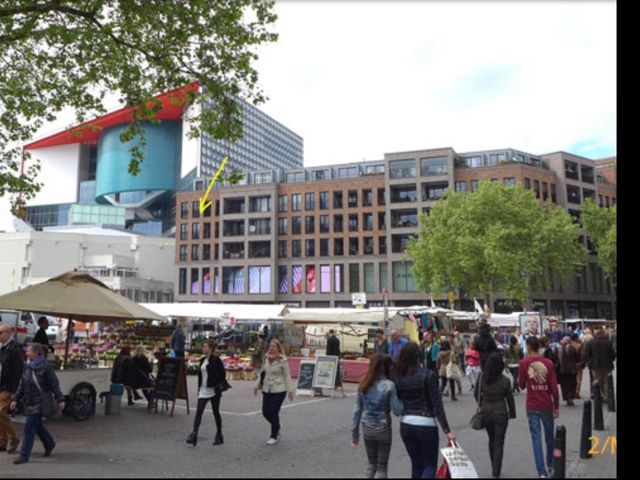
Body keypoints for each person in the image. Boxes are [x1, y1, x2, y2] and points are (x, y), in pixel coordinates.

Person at [394, 342, 456, 478]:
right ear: (418, 356)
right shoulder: (428, 375)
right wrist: (447, 430)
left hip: (406, 423)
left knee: (416, 464)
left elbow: (398, 401)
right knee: (429, 465)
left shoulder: (399, 377)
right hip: (426, 423)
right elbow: (437, 404)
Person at [9, 343, 65, 464]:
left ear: (36, 353)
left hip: (40, 402)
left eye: (28, 351)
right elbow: (22, 384)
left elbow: (54, 384)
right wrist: (15, 399)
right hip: (29, 401)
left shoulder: (46, 367)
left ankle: (24, 455)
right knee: (37, 426)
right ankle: (50, 444)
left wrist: (60, 399)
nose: (26, 353)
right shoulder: (28, 367)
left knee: (29, 428)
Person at [351, 354, 403, 479]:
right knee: (382, 467)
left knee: (371, 465)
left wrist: (355, 433)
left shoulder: (363, 383)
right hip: (383, 428)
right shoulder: (389, 385)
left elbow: (357, 410)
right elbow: (397, 411)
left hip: (367, 427)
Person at [518, 336, 559, 478]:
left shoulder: (524, 363)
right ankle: (551, 464)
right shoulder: (548, 363)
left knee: (536, 438)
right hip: (546, 404)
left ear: (528, 347)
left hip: (532, 405)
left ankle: (542, 472)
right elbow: (554, 387)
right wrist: (556, 406)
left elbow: (521, 384)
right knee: (549, 436)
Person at [474, 352, 516, 479]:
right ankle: (496, 471)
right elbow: (510, 399)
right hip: (500, 413)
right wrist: (512, 413)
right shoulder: (505, 381)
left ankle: (494, 466)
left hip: (486, 413)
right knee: (499, 442)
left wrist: (482, 404)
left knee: (491, 440)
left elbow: (476, 394)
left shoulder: (482, 377)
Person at [186, 339, 226, 446]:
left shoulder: (216, 360)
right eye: (203, 346)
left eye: (205, 346)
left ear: (210, 348)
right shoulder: (202, 360)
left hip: (213, 391)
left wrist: (215, 383)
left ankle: (219, 434)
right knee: (199, 411)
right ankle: (194, 434)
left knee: (216, 412)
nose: (203, 348)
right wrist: (200, 387)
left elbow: (222, 374)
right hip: (203, 390)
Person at [254, 339, 294, 445]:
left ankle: (273, 436)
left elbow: (287, 376)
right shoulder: (266, 358)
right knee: (265, 412)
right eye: (270, 346)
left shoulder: (282, 360)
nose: (271, 348)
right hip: (267, 388)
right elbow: (263, 372)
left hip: (279, 389)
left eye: (274, 346)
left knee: (274, 411)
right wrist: (256, 385)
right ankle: (277, 426)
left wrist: (290, 390)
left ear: (278, 348)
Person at [0, 324, 24, 454]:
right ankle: (2, 442)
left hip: (8, 387)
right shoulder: (2, 347)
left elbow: (18, 371)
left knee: (0, 412)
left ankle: (13, 437)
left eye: (0, 333)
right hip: (1, 384)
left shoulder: (14, 350)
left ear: (8, 333)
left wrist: (15, 391)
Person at [583, 329, 616, 403]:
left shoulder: (590, 343)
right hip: (607, 366)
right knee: (606, 382)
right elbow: (613, 355)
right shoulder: (608, 343)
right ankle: (606, 396)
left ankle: (598, 395)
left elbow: (587, 354)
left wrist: (588, 362)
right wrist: (611, 360)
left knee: (597, 381)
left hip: (595, 366)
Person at [557, 336, 580, 406]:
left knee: (564, 384)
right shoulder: (573, 348)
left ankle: (566, 397)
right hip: (572, 369)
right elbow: (577, 358)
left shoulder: (559, 349)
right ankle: (570, 397)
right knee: (572, 384)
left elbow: (557, 359)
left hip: (562, 369)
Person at [326, 329, 346, 397]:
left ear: (329, 333)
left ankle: (330, 384)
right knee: (336, 372)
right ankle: (337, 385)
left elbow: (328, 350)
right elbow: (338, 349)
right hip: (336, 357)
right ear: (334, 333)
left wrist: (327, 357)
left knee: (331, 371)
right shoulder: (337, 340)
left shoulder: (329, 339)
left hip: (331, 358)